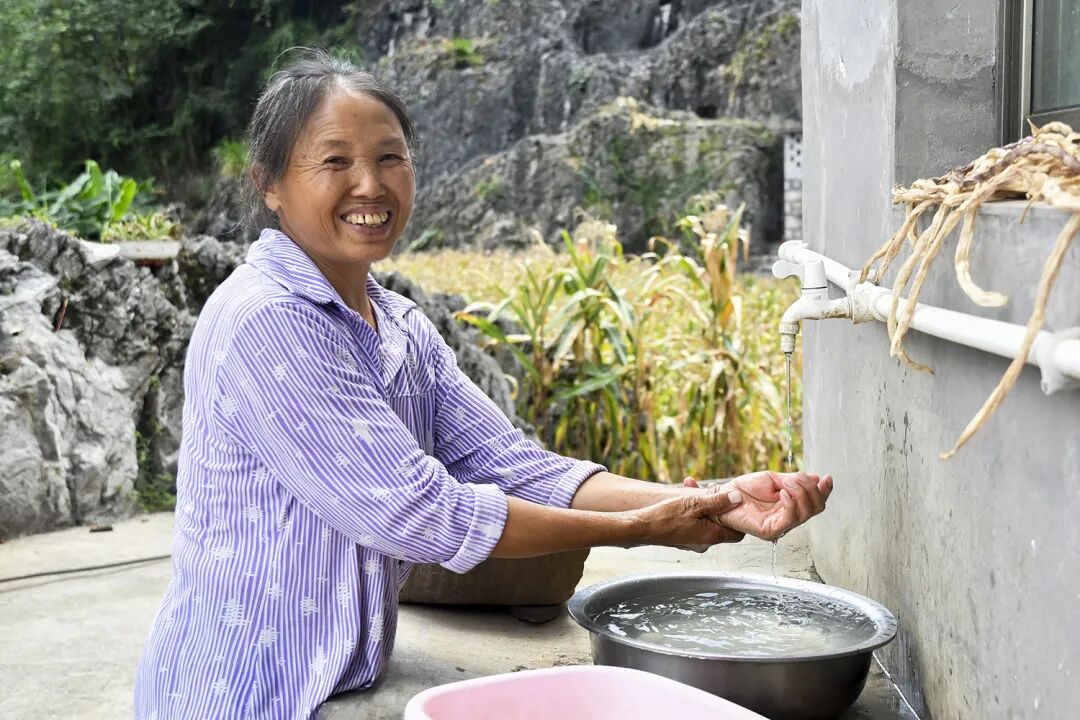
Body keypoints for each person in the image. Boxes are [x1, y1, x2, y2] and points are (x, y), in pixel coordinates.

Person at [134, 48, 832, 720]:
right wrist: (636, 530)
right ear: (270, 184)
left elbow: (515, 467)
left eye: (390, 158)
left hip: (331, 680)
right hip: (243, 689)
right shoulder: (269, 319)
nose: (370, 186)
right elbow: (420, 510)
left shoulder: (397, 323)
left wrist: (717, 499)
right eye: (335, 161)